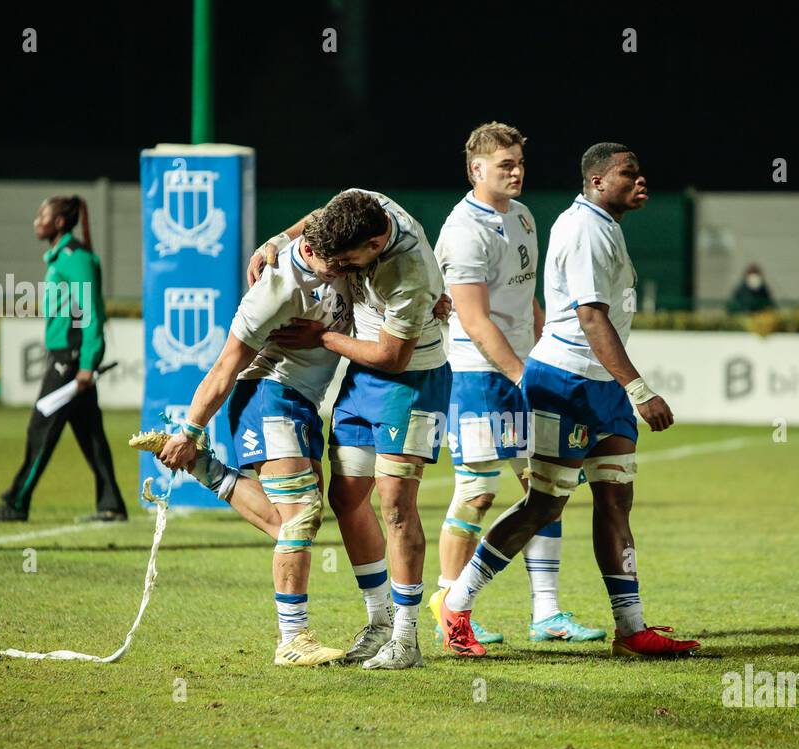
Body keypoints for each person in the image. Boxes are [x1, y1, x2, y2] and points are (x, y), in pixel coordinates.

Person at [431, 144, 699, 658]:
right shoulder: (582, 230)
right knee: (542, 503)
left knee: (616, 499)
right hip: (566, 384)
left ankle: (632, 627)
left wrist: (620, 387)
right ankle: (457, 604)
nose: (640, 182)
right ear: (598, 181)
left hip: (602, 388)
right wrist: (639, 389)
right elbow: (590, 317)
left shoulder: (600, 224)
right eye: (629, 174)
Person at [132, 226, 355, 666]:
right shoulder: (273, 290)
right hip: (268, 394)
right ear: (308, 251)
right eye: (336, 267)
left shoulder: (333, 237)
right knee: (300, 516)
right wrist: (190, 429)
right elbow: (224, 368)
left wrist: (274, 236)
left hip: (304, 402)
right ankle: (292, 639)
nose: (343, 273)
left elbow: (319, 213)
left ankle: (205, 469)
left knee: (294, 523)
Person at [428, 121, 605, 653]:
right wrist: (520, 373)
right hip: (480, 375)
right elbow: (475, 319)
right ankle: (449, 605)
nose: (517, 172)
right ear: (474, 169)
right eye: (505, 165)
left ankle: (546, 612)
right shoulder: (464, 231)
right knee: (477, 492)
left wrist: (545, 354)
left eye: (520, 163)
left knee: (545, 490)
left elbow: (525, 300)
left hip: (526, 366)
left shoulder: (523, 217)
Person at [260, 189, 451, 670]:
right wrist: (276, 240)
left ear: (376, 242)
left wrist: (323, 336)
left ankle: (406, 639)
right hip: (363, 376)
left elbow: (394, 356)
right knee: (346, 498)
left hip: (412, 380)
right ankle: (380, 621)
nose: (338, 271)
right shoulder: (359, 202)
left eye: (346, 263)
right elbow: (317, 218)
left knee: (395, 504)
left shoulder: (408, 272)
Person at [0, 196, 126, 522]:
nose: (36, 220)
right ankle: (111, 505)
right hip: (70, 359)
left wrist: (86, 364)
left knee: (41, 428)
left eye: (43, 215)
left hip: (71, 361)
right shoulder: (62, 258)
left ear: (60, 223)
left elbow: (91, 315)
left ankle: (16, 501)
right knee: (90, 435)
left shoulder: (73, 258)